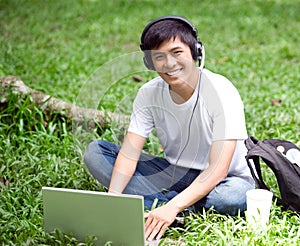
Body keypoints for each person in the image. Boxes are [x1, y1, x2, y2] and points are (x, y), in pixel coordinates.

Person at [84, 15, 255, 242]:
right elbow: (129, 153)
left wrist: (172, 206)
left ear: (195, 52)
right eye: (159, 57)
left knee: (234, 197)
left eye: (177, 52)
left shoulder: (221, 91)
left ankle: (163, 206)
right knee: (96, 153)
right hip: (174, 173)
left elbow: (218, 169)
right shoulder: (148, 93)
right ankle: (177, 206)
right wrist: (113, 199)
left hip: (225, 180)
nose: (169, 63)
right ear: (150, 62)